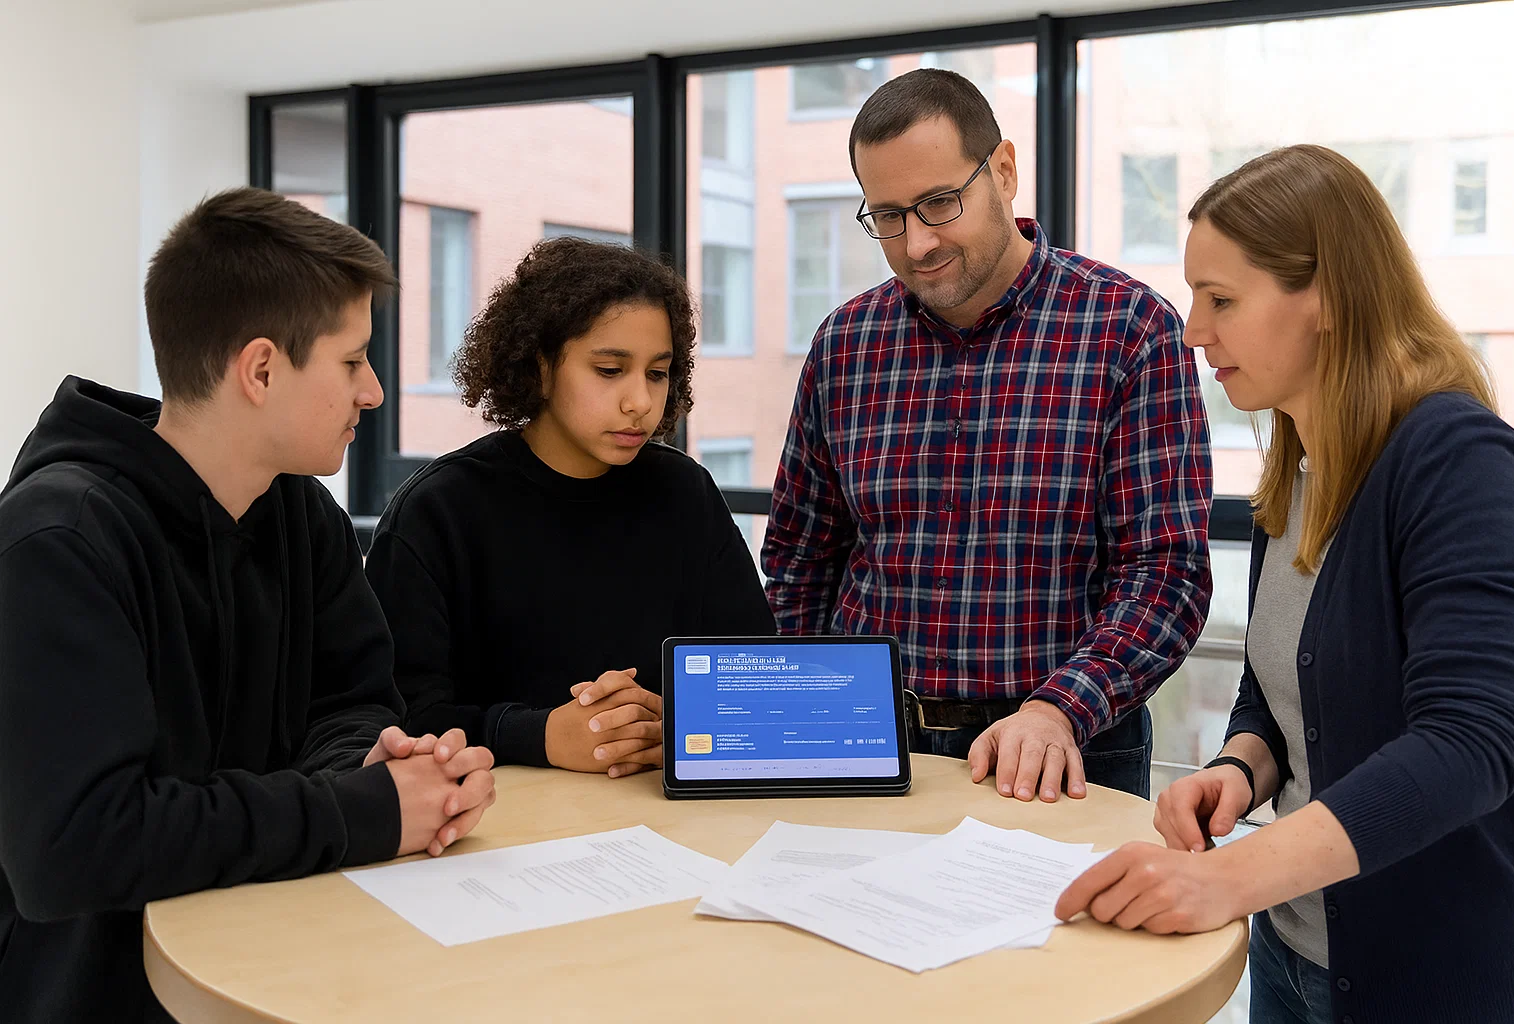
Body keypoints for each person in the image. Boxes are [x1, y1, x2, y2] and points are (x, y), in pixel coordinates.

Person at [1055, 145, 1514, 1023]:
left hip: (1432, 975)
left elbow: (1473, 742)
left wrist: (1222, 878)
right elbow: (1278, 692)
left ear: (1327, 299)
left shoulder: (1456, 460)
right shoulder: (1295, 472)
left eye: (1222, 300)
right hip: (1291, 951)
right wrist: (1240, 769)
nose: (1194, 331)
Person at [0, 188, 498, 1023]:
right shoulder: (58, 542)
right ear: (262, 369)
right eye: (351, 362)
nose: (372, 393)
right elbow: (74, 850)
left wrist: (376, 764)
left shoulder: (305, 519)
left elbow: (350, 701)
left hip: (281, 954)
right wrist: (363, 812)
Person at [762, 68, 1212, 802]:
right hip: (867, 741)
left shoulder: (1129, 330)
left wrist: (1058, 708)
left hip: (1064, 750)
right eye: (888, 217)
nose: (917, 243)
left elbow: (1166, 572)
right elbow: (801, 559)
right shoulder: (844, 343)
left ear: (1004, 170)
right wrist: (798, 714)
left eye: (940, 202)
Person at [365, 236, 775, 778]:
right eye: (609, 371)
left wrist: (674, 725)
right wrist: (539, 735)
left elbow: (753, 677)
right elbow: (397, 718)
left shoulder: (686, 494)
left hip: (665, 822)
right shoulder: (439, 510)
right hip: (494, 827)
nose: (641, 402)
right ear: (539, 367)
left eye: (657, 373)